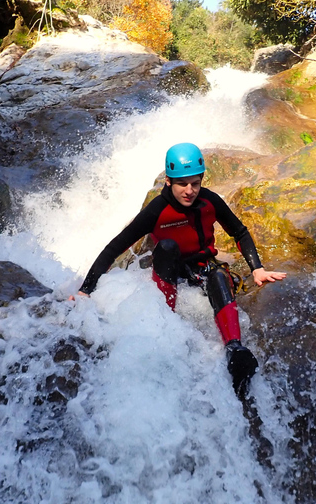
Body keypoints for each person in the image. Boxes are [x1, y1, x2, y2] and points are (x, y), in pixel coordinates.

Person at [72, 142, 287, 397]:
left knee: (218, 275)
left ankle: (234, 349)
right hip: (170, 272)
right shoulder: (156, 210)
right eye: (182, 184)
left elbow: (239, 231)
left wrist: (257, 269)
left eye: (195, 183)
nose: (189, 191)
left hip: (200, 267)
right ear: (168, 181)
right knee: (167, 246)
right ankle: (169, 320)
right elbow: (114, 248)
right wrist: (86, 289)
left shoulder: (210, 201)